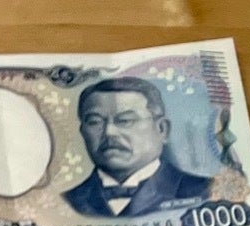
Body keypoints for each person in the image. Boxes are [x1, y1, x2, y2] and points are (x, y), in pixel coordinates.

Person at [62, 77, 211, 218]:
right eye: (95, 122)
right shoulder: (64, 202)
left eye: (125, 120)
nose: (109, 132)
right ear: (82, 131)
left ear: (162, 129)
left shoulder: (207, 191)